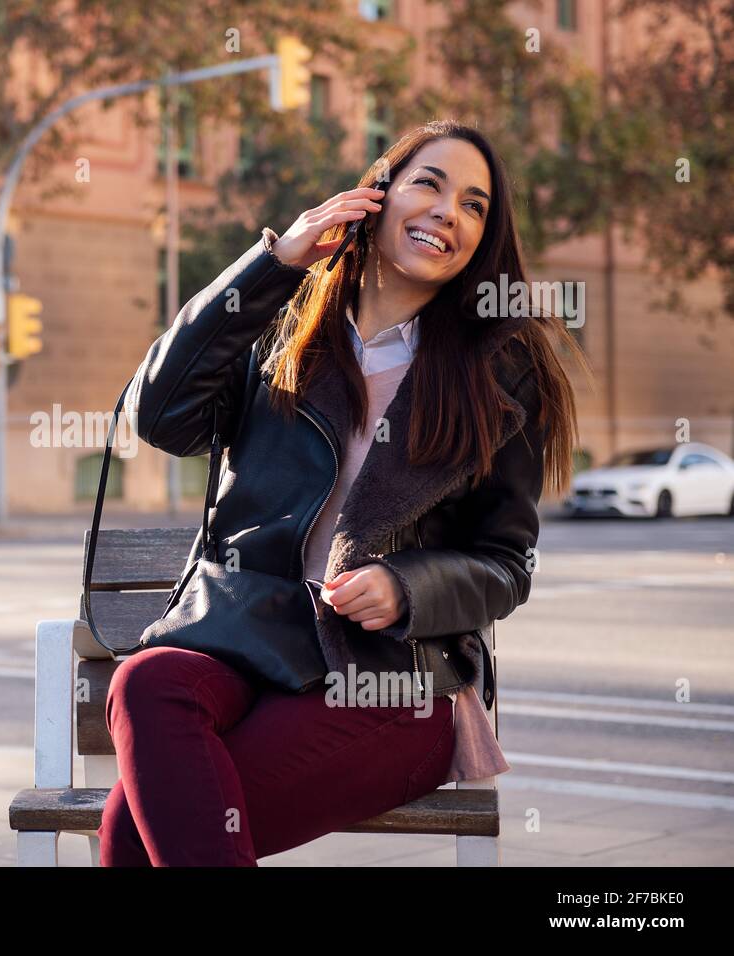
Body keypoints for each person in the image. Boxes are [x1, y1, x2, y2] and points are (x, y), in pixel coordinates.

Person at [100, 120, 587, 866]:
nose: (447, 211)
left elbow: (505, 564)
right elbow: (160, 416)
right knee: (147, 680)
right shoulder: (280, 336)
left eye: (473, 205)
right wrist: (273, 264)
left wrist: (407, 585)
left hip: (394, 680)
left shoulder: (501, 373)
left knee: (138, 837)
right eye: (429, 184)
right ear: (376, 196)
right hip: (247, 643)